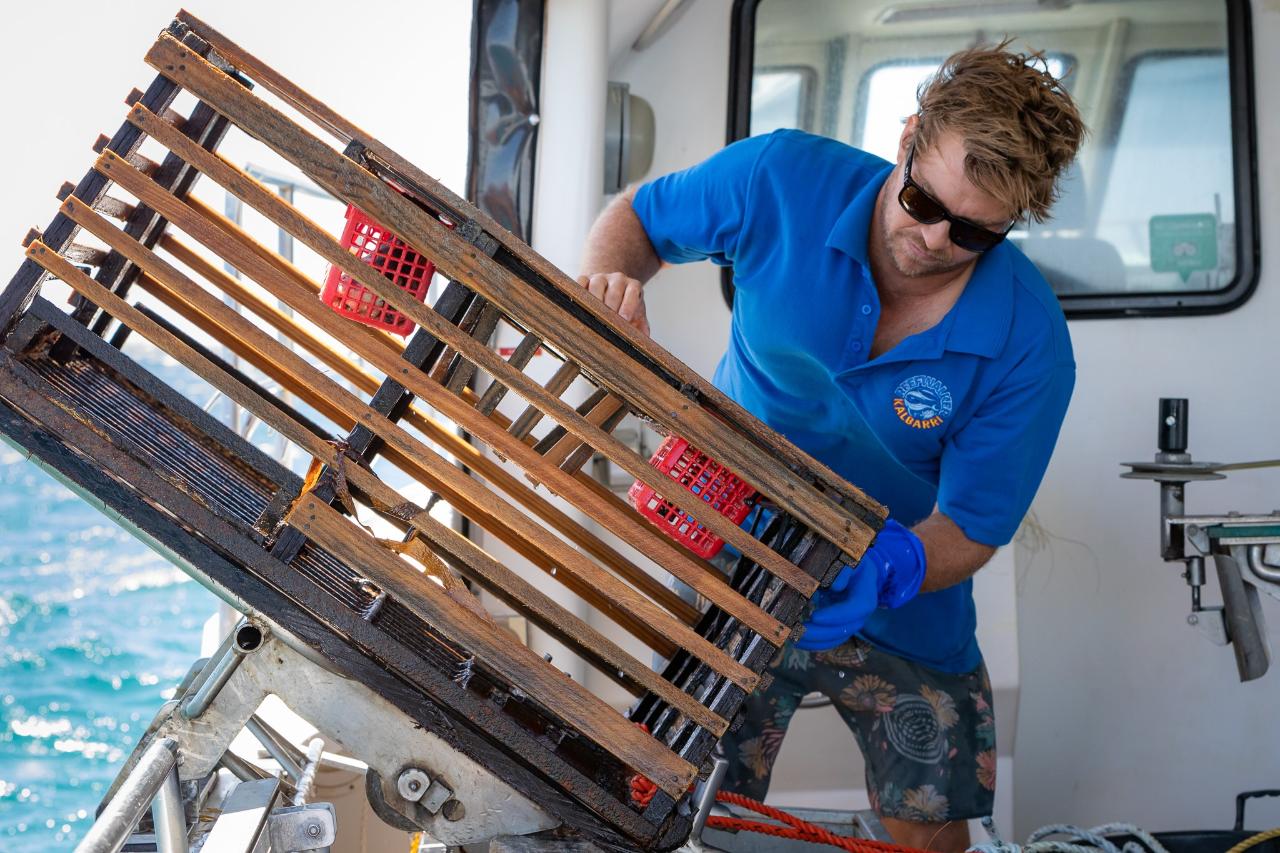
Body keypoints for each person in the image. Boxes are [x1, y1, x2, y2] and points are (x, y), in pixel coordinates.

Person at [577, 42, 1085, 852]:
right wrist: (612, 281)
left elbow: (976, 527)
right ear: (909, 136)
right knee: (685, 804)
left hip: (900, 586)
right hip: (727, 549)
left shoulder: (1030, 342)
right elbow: (637, 219)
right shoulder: (778, 178)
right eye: (922, 199)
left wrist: (892, 568)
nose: (932, 239)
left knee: (926, 825)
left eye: (972, 232)